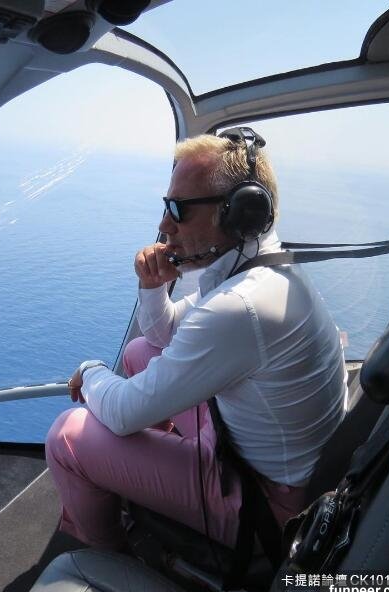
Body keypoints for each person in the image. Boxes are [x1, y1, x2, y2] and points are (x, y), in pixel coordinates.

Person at [45, 130, 348, 553]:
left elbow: (122, 412)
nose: (163, 224)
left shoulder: (240, 306)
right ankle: (148, 479)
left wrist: (89, 370)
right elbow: (163, 335)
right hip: (265, 458)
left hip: (266, 506)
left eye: (178, 209)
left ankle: (108, 555)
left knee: (67, 436)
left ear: (238, 214)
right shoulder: (260, 272)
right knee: (138, 353)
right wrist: (153, 286)